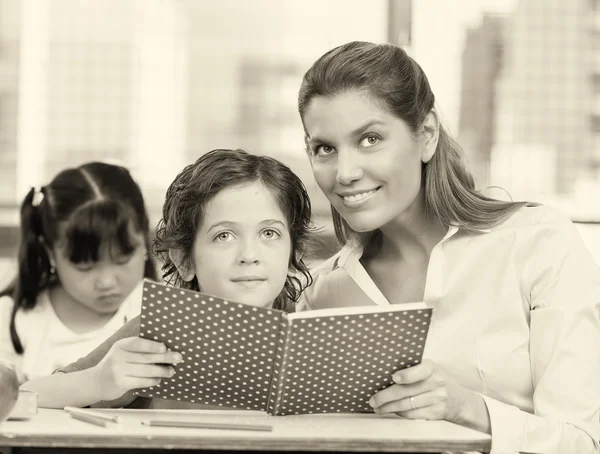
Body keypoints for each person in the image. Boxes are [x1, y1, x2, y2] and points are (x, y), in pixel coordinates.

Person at [296, 41, 600, 453]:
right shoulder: (321, 295)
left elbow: (583, 442)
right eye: (325, 148)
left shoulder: (537, 244)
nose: (345, 173)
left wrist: (467, 408)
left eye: (369, 138)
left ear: (426, 134)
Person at [20, 149, 316, 409]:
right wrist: (98, 381)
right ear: (184, 260)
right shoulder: (156, 333)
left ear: (294, 253)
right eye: (224, 236)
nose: (249, 255)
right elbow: (29, 394)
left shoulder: (312, 334)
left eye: (269, 233)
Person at [0, 162, 157, 383]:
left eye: (122, 259)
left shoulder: (160, 313)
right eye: (85, 266)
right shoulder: (14, 319)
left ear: (144, 240)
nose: (106, 281)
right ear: (50, 252)